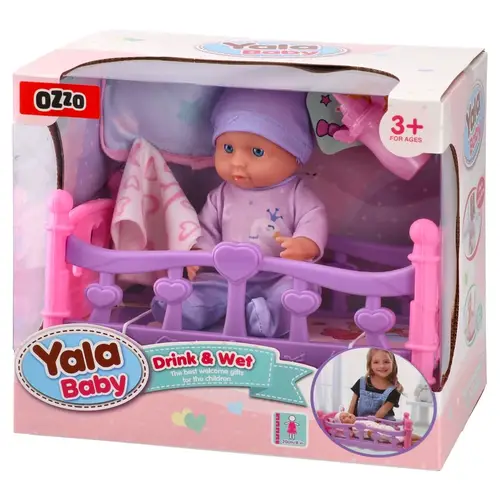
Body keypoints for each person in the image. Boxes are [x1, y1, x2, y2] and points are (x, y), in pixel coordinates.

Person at [151, 88, 328, 337]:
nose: (237, 162)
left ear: (295, 155)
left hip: (280, 276)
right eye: (227, 148)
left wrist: (305, 244)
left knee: (295, 292)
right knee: (206, 289)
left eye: (257, 152)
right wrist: (199, 252)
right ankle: (186, 308)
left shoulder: (297, 194)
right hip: (226, 277)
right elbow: (206, 228)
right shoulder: (221, 195)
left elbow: (313, 218)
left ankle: (267, 318)